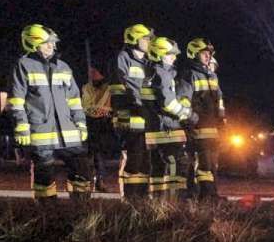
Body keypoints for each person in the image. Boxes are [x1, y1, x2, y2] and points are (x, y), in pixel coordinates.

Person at [7, 24, 93, 202]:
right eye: (46, 42)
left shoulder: (63, 67)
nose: (52, 45)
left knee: (82, 169)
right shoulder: (23, 66)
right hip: (40, 132)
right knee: (44, 176)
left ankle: (82, 207)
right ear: (33, 44)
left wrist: (81, 124)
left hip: (68, 131)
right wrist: (22, 127)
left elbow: (75, 100)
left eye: (52, 42)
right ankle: (47, 211)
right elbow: (16, 101)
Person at [145, 37, 194, 199]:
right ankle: (174, 203)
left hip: (153, 128)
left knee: (157, 168)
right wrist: (188, 114)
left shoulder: (149, 71)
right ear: (159, 54)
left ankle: (156, 203)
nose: (174, 57)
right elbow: (168, 103)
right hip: (167, 128)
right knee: (176, 165)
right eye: (170, 54)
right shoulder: (162, 74)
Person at [177, 37, 225, 198]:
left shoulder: (212, 76)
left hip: (213, 127)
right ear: (194, 54)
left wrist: (222, 120)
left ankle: (212, 195)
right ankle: (205, 197)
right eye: (203, 53)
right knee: (203, 164)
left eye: (209, 53)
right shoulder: (189, 74)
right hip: (198, 127)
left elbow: (219, 101)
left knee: (212, 164)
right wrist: (189, 121)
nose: (208, 56)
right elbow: (183, 101)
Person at [110, 23, 154, 198]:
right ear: (134, 39)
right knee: (133, 159)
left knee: (144, 160)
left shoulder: (148, 62)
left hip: (145, 118)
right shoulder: (122, 58)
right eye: (145, 38)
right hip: (129, 118)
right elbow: (120, 86)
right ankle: (129, 198)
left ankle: (141, 197)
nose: (149, 42)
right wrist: (137, 104)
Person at [81, 64, 115, 192]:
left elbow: (102, 108)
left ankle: (99, 182)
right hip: (90, 124)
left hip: (104, 125)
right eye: (91, 73)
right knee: (90, 155)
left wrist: (97, 110)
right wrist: (99, 110)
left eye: (95, 72)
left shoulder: (108, 88)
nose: (92, 76)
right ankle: (90, 183)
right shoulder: (86, 87)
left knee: (100, 155)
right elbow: (86, 107)